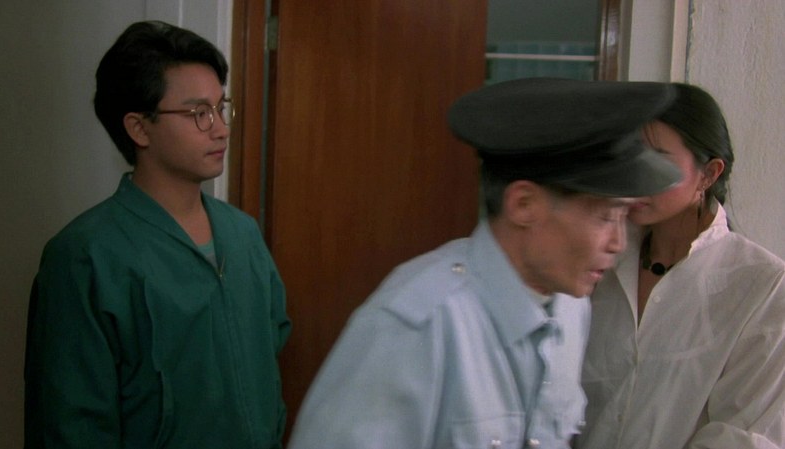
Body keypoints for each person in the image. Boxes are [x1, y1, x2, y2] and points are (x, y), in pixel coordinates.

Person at [286, 78, 683, 449]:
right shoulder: (418, 324)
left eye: (624, 217)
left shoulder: (570, 306)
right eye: (605, 216)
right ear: (523, 205)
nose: (618, 243)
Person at [24, 21, 291, 448]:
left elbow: (267, 360)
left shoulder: (242, 234)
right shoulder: (85, 256)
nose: (221, 128)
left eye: (221, 107)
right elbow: (71, 422)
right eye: (198, 113)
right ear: (139, 128)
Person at [576, 83, 785, 449]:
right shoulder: (595, 260)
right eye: (628, 155)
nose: (635, 175)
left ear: (708, 174)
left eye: (656, 158)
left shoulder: (762, 286)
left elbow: (746, 435)